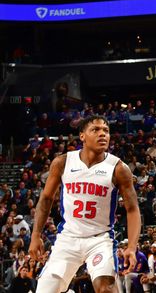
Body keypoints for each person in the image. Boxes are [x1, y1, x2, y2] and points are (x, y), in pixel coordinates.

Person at [30, 115, 141, 293]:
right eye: (95, 130)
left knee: (106, 289)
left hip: (100, 239)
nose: (102, 134)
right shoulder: (63, 162)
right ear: (82, 136)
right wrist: (36, 235)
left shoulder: (118, 168)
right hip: (68, 238)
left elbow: (133, 209)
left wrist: (132, 247)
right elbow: (46, 199)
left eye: (106, 130)